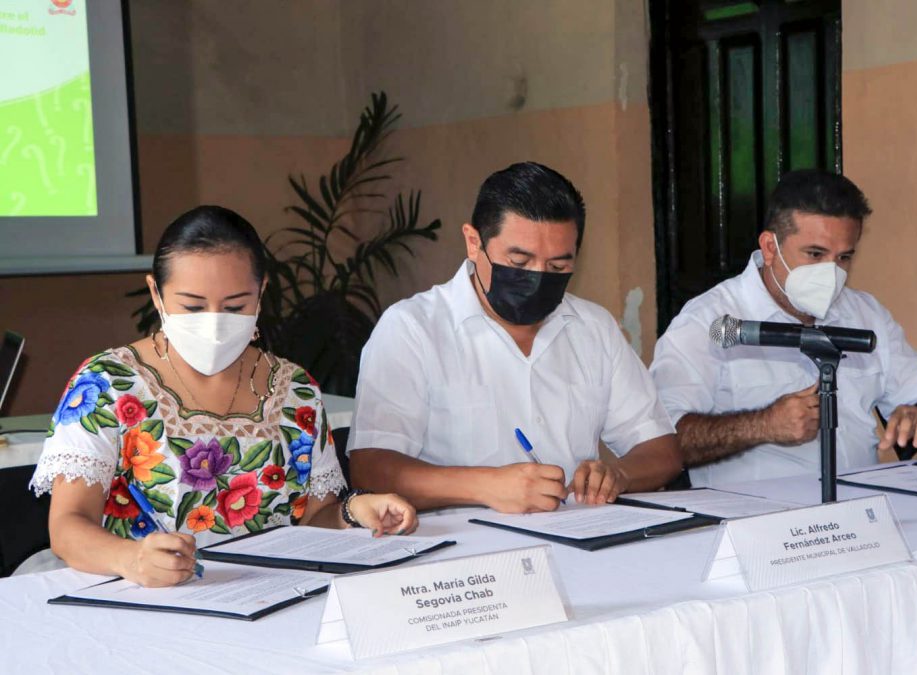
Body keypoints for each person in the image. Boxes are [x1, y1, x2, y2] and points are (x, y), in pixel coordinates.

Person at [30, 206, 417, 587]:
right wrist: (131, 559)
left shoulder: (296, 390)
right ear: (156, 293)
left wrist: (353, 510)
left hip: (269, 595)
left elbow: (315, 521)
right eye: (192, 306)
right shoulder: (107, 384)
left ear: (261, 293)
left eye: (235, 307)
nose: (214, 323)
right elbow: (67, 527)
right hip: (144, 598)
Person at [348, 162, 681, 512]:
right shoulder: (412, 329)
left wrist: (618, 474)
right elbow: (371, 469)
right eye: (519, 262)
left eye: (557, 267)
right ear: (474, 243)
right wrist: (484, 486)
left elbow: (662, 450)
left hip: (577, 532)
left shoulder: (594, 328)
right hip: (459, 541)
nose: (537, 278)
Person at [650, 170, 917, 486]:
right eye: (815, 254)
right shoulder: (709, 321)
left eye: (843, 257)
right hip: (758, 511)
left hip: (862, 504)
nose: (831, 272)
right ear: (770, 247)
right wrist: (762, 426)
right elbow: (661, 441)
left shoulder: (865, 314)